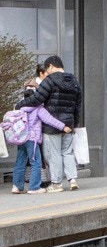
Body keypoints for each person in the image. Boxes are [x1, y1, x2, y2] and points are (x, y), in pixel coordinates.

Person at [24, 55, 82, 193]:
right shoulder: (74, 81)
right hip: (69, 123)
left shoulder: (49, 81)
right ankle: (72, 179)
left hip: (52, 125)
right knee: (67, 152)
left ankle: (56, 183)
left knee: (53, 154)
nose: (47, 71)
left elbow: (37, 99)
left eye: (47, 68)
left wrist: (21, 104)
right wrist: (75, 123)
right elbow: (77, 105)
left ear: (50, 66)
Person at [7, 78, 67, 194]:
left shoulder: (18, 106)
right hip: (32, 139)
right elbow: (49, 119)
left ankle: (17, 186)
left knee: (20, 161)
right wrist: (63, 127)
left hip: (20, 138)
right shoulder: (38, 107)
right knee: (36, 162)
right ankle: (34, 187)